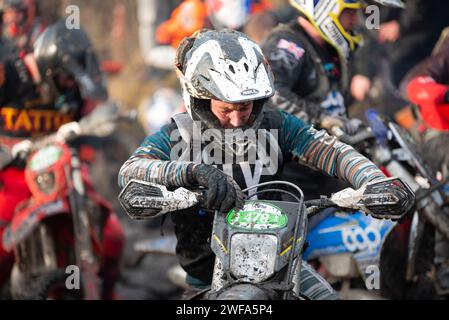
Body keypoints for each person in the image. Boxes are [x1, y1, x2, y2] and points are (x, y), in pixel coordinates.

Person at [118, 29, 414, 299]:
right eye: (225, 109)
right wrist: (190, 172)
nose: (236, 119)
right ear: (201, 99)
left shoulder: (276, 124)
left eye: (244, 107)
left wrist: (372, 180)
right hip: (208, 283)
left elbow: (333, 152)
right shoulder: (178, 134)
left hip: (282, 270)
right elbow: (131, 170)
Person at [0, 20, 124, 299]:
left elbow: (100, 112)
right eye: (66, 79)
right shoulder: (8, 74)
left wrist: (96, 122)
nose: (71, 86)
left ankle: (105, 292)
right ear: (49, 68)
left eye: (74, 79)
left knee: (113, 237)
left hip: (64, 168)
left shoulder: (74, 86)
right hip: (13, 171)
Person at [402, 32, 449, 294]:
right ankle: (444, 272)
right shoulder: (446, 53)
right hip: (438, 132)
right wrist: (445, 94)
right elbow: (413, 84)